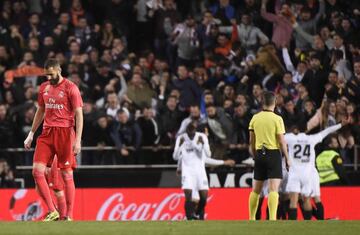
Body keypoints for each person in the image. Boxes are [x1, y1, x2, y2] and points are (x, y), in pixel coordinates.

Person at [24, 58, 83, 221]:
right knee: (37, 171)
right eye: (46, 75)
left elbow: (79, 114)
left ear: (59, 70)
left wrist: (78, 140)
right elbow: (41, 110)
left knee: (66, 175)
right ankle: (52, 210)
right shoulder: (44, 87)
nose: (48, 78)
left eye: (51, 74)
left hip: (65, 134)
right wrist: (31, 133)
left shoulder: (71, 88)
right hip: (47, 133)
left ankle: (69, 215)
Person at [284, 118, 349, 220]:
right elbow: (326, 131)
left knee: (293, 201)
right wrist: (340, 125)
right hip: (307, 174)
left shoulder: (290, 138)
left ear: (296, 129)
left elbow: (276, 136)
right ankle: (309, 224)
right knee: (306, 200)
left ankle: (293, 226)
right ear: (306, 128)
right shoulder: (311, 139)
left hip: (294, 174)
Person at [248, 91, 290, 221]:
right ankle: (272, 219)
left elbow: (251, 142)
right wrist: (287, 158)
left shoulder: (255, 118)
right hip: (273, 154)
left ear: (262, 102)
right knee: (273, 189)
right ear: (275, 102)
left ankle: (251, 218)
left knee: (256, 190)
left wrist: (256, 155)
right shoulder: (277, 119)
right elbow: (282, 141)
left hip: (260, 154)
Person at [173, 121, 213, 220]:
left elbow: (208, 155)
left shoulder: (202, 137)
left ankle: (197, 213)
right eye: (189, 132)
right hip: (187, 172)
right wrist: (181, 146)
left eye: (192, 131)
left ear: (195, 130)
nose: (190, 134)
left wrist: (202, 145)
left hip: (200, 172)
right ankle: (190, 217)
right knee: (188, 196)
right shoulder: (181, 138)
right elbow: (175, 156)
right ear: (186, 130)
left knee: (203, 198)